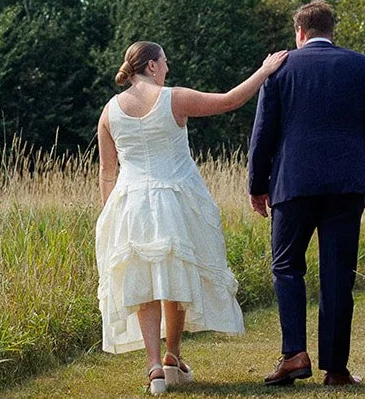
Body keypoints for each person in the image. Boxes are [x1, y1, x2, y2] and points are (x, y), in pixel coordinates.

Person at [97, 40, 289, 394]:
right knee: (175, 274)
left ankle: (155, 365)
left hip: (130, 205)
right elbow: (230, 100)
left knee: (145, 283)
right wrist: (264, 71)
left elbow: (107, 173)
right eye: (165, 62)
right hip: (175, 198)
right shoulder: (173, 97)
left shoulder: (109, 111)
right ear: (152, 66)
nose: (168, 68)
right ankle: (172, 356)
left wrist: (111, 215)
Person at [248, 0, 365, 387]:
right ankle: (336, 369)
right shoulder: (362, 66)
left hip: (293, 184)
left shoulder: (280, 68)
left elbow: (263, 132)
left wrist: (257, 185)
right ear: (331, 31)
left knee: (287, 267)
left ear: (299, 33)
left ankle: (294, 354)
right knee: (338, 275)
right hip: (346, 185)